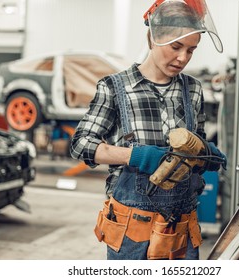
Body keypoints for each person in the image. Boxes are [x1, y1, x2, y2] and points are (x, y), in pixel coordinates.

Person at [70, 0, 226, 260]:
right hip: (133, 229)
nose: (182, 58)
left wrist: (206, 156)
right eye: (176, 47)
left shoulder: (193, 89)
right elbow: (81, 145)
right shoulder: (115, 87)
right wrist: (136, 156)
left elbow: (194, 145)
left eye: (191, 50)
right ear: (152, 38)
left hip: (182, 228)